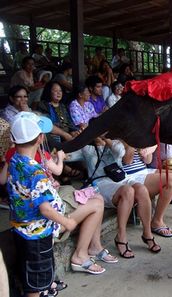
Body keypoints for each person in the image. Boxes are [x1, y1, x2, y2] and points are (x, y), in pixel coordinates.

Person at [7, 112, 117, 287]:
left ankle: (48, 285)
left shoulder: (14, 160)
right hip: (39, 230)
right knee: (37, 279)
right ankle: (79, 257)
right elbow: (45, 209)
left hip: (24, 228)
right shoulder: (35, 172)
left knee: (36, 276)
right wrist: (67, 222)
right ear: (40, 138)